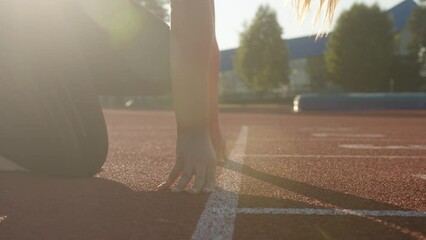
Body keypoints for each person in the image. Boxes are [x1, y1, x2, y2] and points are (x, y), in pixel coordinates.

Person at [0, 0, 337, 192]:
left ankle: (46, 93)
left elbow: (202, 35)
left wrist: (209, 127)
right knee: (81, 154)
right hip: (24, 16)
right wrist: (193, 131)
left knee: (163, 59)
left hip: (69, 18)